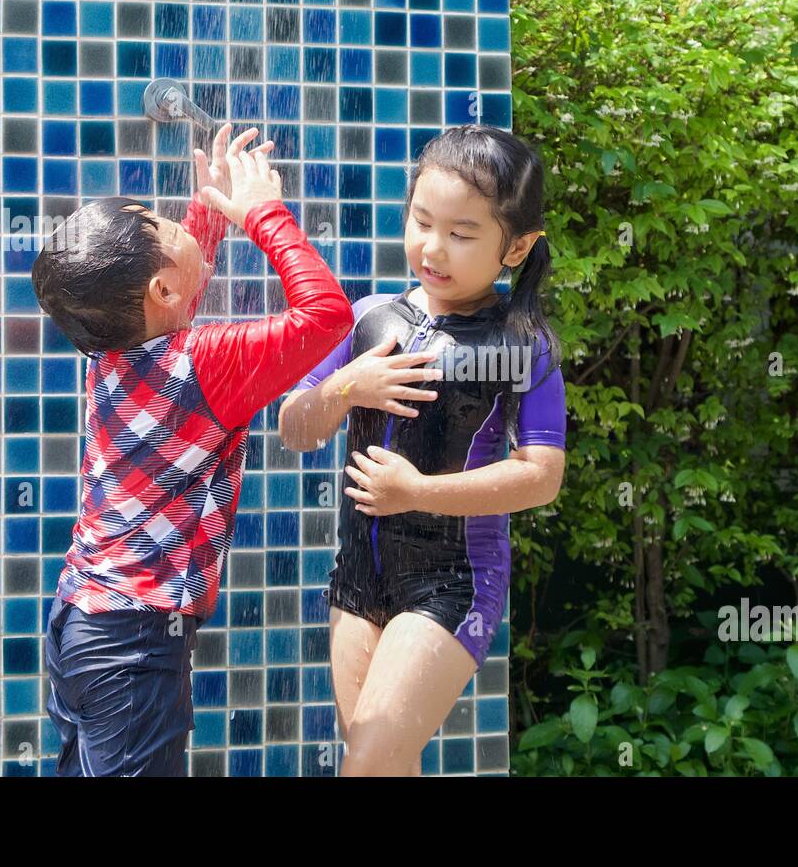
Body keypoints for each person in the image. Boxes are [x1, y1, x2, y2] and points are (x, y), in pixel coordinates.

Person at [32, 124, 353, 776]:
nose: (179, 224)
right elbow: (327, 317)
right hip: (131, 644)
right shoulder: (203, 365)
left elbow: (176, 295)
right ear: (160, 292)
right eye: (164, 224)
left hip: (83, 624)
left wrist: (208, 205)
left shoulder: (111, 353)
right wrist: (264, 212)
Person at [278, 124, 567, 776]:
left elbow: (542, 475)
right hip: (359, 579)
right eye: (422, 222)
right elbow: (294, 427)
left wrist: (417, 492)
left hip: (454, 582)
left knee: (368, 767)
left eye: (463, 235)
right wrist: (350, 387)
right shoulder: (371, 318)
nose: (434, 248)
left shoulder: (522, 344)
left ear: (516, 246)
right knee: (386, 766)